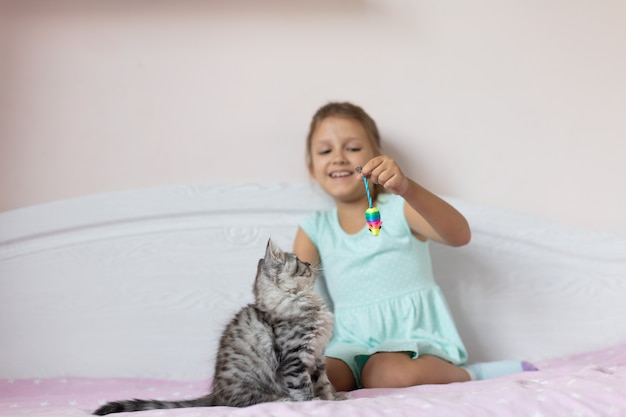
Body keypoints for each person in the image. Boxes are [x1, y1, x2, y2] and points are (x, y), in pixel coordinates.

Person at [293, 101, 536, 392]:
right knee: (311, 380)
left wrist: (407, 188)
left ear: (378, 158)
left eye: (353, 148)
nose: (339, 158)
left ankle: (471, 375)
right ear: (312, 168)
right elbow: (295, 293)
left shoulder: (398, 209)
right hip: (349, 342)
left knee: (383, 374)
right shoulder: (315, 228)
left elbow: (460, 235)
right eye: (325, 151)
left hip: (412, 338)